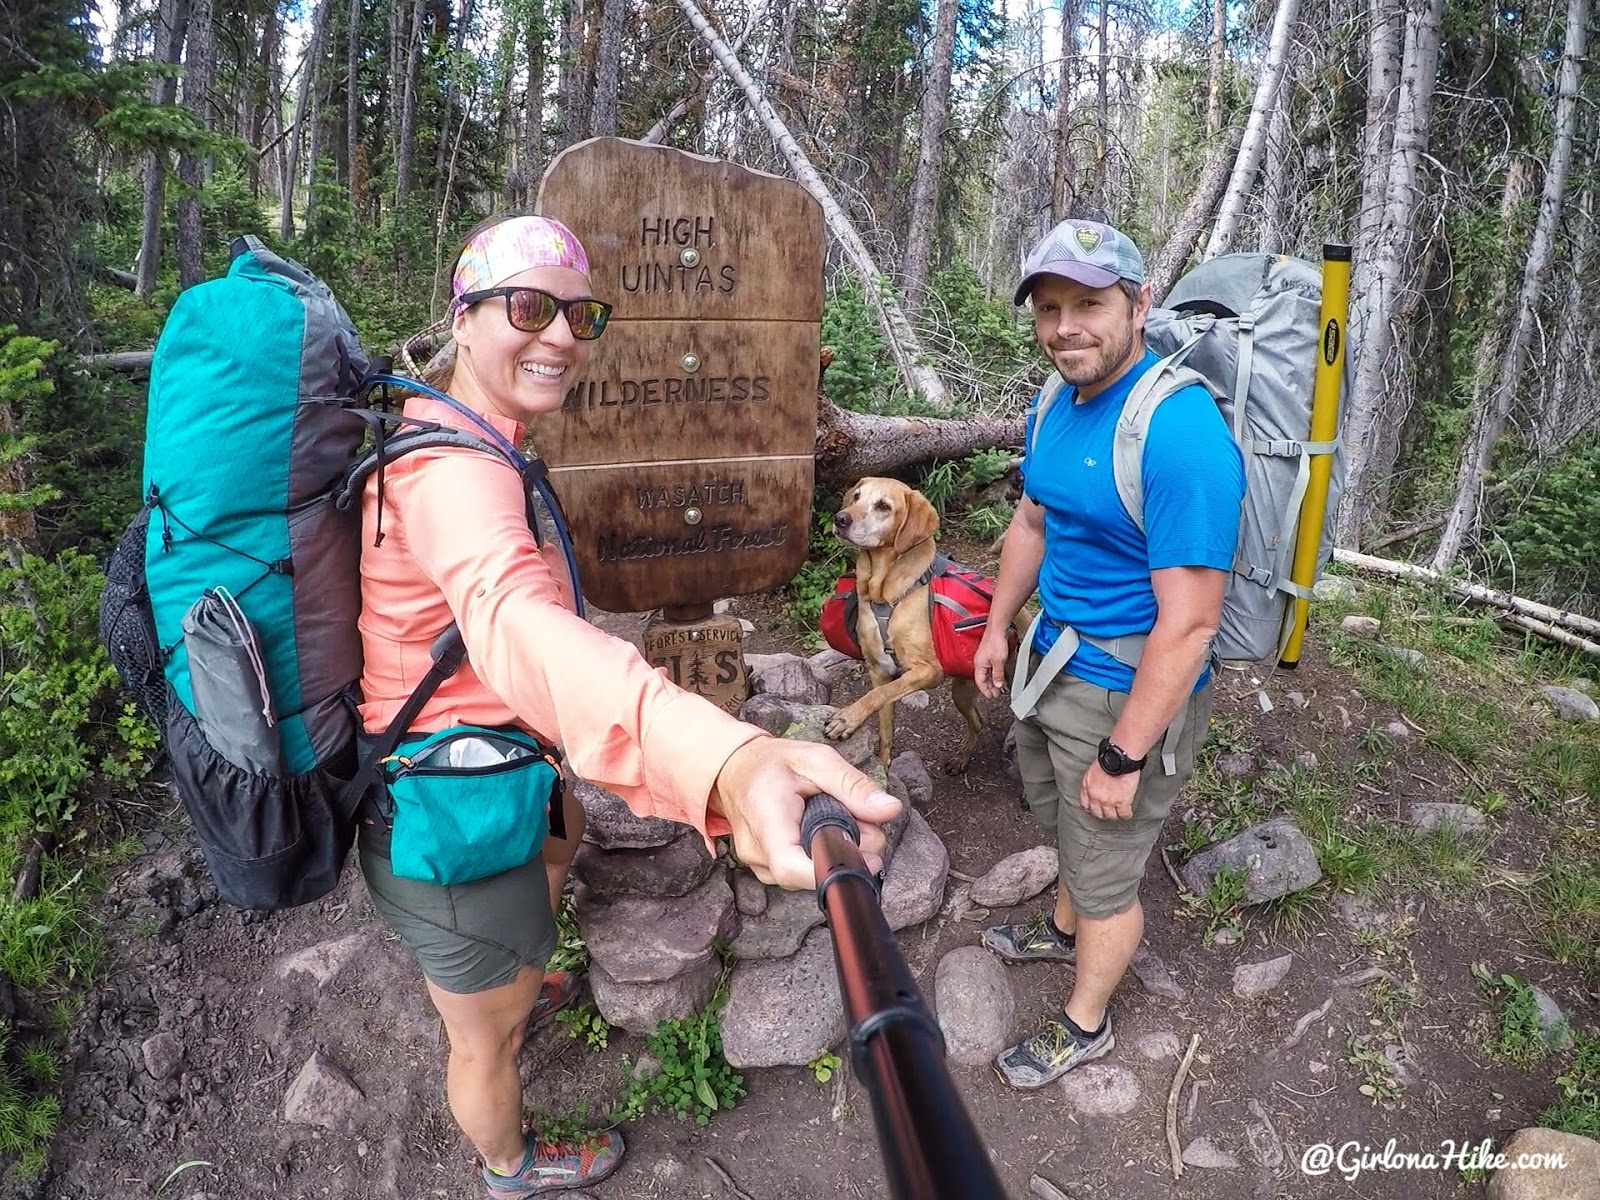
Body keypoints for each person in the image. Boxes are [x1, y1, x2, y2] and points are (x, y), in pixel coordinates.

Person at [357, 213, 900, 1195]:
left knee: (548, 878)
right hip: (444, 807)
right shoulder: (450, 474)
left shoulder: (471, 435)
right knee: (487, 1038)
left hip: (505, 771)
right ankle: (508, 1163)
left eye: (580, 313)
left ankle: (522, 966)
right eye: (529, 307)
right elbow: (513, 623)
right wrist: (726, 761)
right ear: (465, 317)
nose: (561, 335)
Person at [971, 220, 1244, 1089]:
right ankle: (1061, 928)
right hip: (1051, 662)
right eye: (1049, 309)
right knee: (1064, 824)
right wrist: (995, 625)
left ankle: (1084, 1021)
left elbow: (1193, 623)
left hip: (1127, 686)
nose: (1065, 328)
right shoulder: (1054, 401)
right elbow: (1033, 520)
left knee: (1105, 867)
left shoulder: (1180, 433)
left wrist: (1126, 754)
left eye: (1088, 304)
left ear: (1138, 302)